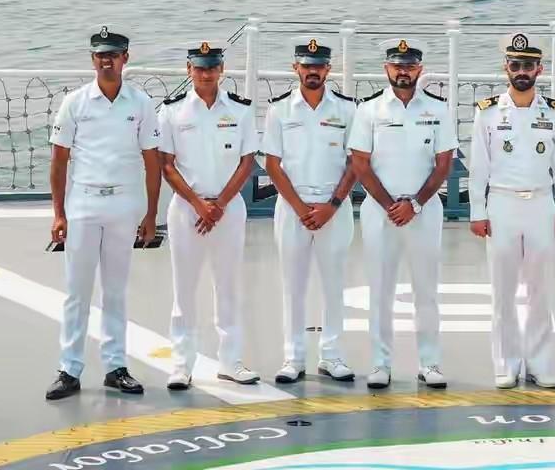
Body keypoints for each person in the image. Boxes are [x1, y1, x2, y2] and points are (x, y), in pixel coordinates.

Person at [45, 26, 161, 400]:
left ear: (125, 58)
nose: (106, 61)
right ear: (92, 59)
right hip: (83, 204)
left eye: (113, 55)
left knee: (115, 290)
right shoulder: (75, 102)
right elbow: (59, 161)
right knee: (77, 291)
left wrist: (150, 215)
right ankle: (69, 369)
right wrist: (59, 214)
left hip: (123, 205)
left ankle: (115, 367)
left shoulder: (141, 104)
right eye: (100, 55)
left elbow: (152, 162)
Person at [467, 33, 555, 389]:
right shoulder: (487, 113)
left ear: (539, 69)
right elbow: (478, 166)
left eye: (528, 65)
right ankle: (506, 363)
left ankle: (539, 363)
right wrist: (477, 211)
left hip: (542, 204)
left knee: (540, 290)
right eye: (515, 65)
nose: (522, 71)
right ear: (506, 68)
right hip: (502, 204)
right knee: (503, 291)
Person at [349, 38, 457, 390]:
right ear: (387, 69)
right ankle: (380, 364)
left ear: (419, 69)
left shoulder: (438, 109)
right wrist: (390, 205)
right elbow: (360, 164)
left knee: (426, 290)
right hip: (380, 211)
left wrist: (415, 204)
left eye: (409, 66)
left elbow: (444, 164)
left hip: (423, 211)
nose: (403, 72)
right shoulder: (369, 110)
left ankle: (430, 363)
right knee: (380, 291)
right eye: (397, 66)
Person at [158, 41, 260, 390]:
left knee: (228, 286)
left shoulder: (241, 111)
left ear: (222, 70)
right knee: (184, 289)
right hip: (187, 209)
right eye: (199, 68)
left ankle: (230, 361)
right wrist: (200, 204)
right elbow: (167, 165)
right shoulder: (172, 112)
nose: (206, 74)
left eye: (212, 67)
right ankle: (181, 364)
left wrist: (219, 205)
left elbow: (247, 162)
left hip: (228, 210)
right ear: (188, 70)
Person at [263, 38, 359, 384]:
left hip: (334, 208)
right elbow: (272, 165)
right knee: (293, 285)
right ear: (296, 69)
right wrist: (301, 207)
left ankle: (331, 356)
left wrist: (331, 206)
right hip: (294, 208)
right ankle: (294, 357)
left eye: (318, 66)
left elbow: (356, 162)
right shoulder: (279, 110)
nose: (312, 72)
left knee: (334, 285)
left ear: (328, 69)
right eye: (306, 66)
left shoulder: (347, 110)